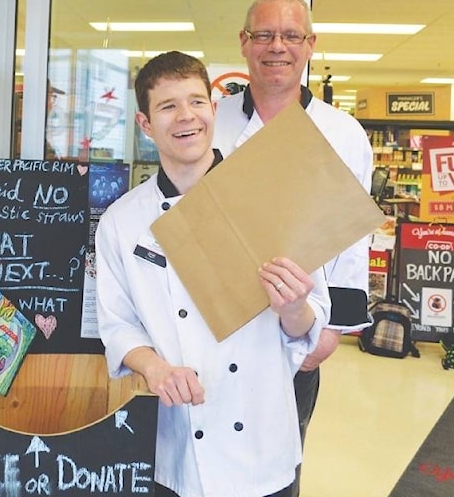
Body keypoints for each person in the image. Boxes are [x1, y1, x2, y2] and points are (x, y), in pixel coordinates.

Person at [95, 51, 331, 497]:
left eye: (196, 102)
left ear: (213, 109)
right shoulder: (122, 221)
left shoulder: (268, 200)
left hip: (262, 442)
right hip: (178, 442)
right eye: (168, 106)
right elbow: (117, 324)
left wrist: (294, 307)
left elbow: (308, 324)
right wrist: (156, 368)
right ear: (146, 125)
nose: (186, 117)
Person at [213, 0, 374, 496]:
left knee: (278, 468)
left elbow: (353, 243)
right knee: (207, 457)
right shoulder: (211, 122)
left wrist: (332, 332)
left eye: (290, 35)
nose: (276, 46)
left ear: (310, 45)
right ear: (244, 43)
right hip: (213, 323)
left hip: (295, 328)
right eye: (263, 34)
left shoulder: (343, 133)